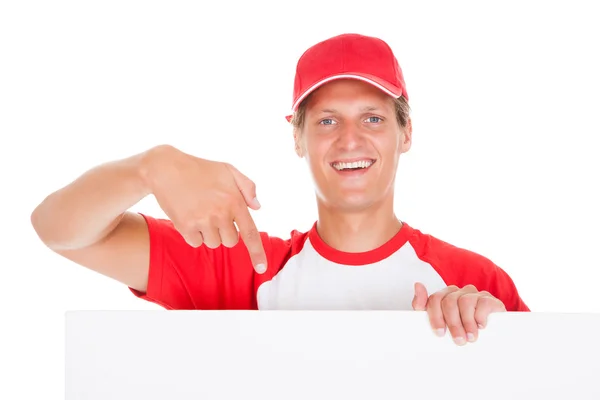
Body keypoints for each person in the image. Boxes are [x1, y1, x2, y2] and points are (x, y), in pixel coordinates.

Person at [30, 33, 529, 346]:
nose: (349, 139)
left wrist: (501, 339)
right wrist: (148, 168)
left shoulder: (475, 281)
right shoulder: (242, 268)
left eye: (373, 118)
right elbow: (59, 231)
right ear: (297, 138)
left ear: (406, 134)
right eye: (327, 121)